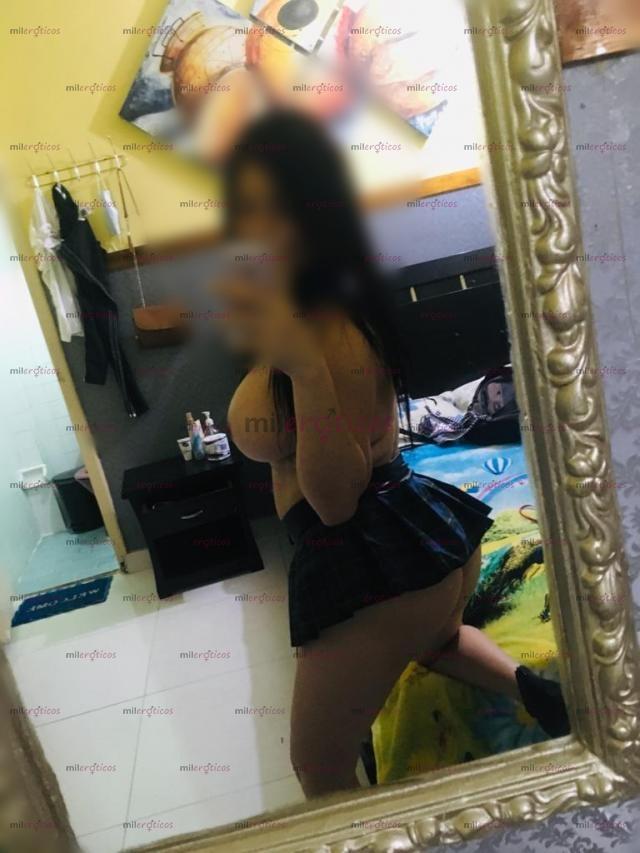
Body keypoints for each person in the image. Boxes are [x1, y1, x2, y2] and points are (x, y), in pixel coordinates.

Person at [216, 109, 569, 799]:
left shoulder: (325, 332)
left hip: (378, 565)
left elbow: (335, 500)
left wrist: (304, 371)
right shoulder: (320, 300)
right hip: (423, 548)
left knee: (317, 766)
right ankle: (537, 692)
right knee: (439, 643)